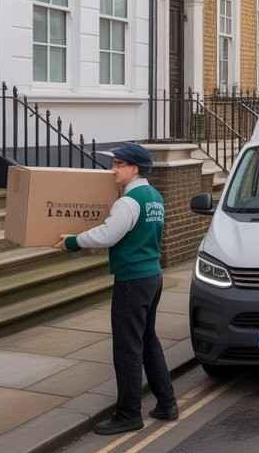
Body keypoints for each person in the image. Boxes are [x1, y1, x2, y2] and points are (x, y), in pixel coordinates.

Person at [55, 144, 178, 435]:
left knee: (127, 349)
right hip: (152, 276)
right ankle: (166, 403)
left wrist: (73, 241)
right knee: (148, 341)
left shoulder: (129, 201)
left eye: (119, 164)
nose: (114, 169)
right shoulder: (155, 198)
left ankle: (128, 414)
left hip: (133, 281)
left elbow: (108, 234)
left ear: (134, 168)